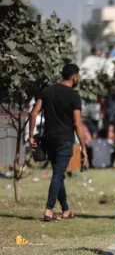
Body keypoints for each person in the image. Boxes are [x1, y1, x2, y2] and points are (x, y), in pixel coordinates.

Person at [28, 63, 87, 222]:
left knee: (58, 174)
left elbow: (33, 114)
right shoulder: (73, 95)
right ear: (74, 77)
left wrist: (31, 136)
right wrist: (83, 147)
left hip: (49, 140)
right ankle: (48, 210)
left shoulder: (47, 91)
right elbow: (77, 123)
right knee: (58, 174)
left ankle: (66, 209)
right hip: (64, 140)